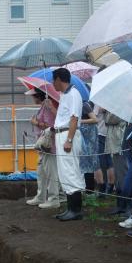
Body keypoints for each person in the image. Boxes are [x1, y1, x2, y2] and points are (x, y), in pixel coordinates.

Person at [51, 68, 85, 221]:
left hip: (67, 135)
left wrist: (69, 140)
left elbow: (74, 118)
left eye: (54, 80)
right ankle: (70, 208)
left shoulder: (73, 94)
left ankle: (76, 209)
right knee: (65, 172)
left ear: (59, 79)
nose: (53, 84)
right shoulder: (64, 95)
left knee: (71, 171)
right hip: (61, 134)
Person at [25, 88, 61, 209]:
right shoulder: (44, 107)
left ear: (38, 96)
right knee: (41, 172)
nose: (33, 98)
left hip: (48, 146)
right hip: (43, 146)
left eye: (34, 96)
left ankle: (53, 199)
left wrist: (36, 123)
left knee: (51, 172)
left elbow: (51, 126)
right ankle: (41, 196)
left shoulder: (48, 107)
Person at [93, 105, 115, 197]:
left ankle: (102, 189)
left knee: (99, 161)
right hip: (110, 133)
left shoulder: (99, 101)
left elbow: (93, 116)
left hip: (100, 132)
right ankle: (110, 187)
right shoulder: (112, 101)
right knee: (110, 161)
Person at [79, 100, 98, 193]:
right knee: (84, 163)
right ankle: (87, 189)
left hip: (89, 137)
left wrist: (80, 121)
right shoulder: (78, 105)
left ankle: (90, 190)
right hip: (83, 136)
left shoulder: (84, 105)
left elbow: (94, 119)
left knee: (89, 162)